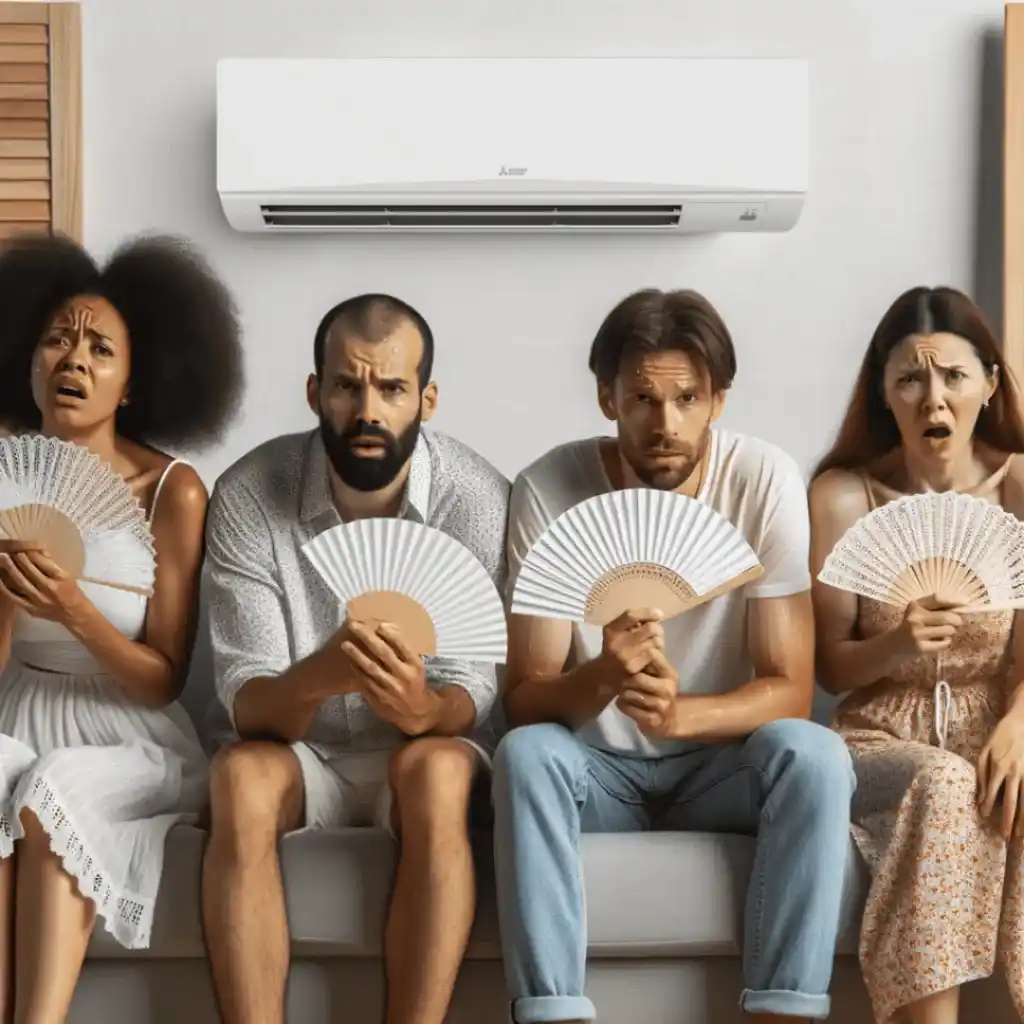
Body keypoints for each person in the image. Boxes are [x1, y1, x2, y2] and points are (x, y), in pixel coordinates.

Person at [493, 287, 856, 1024]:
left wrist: (680, 714)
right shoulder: (549, 487)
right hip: (598, 776)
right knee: (527, 755)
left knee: (814, 754)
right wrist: (602, 675)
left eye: (687, 399)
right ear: (606, 398)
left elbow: (788, 691)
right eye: (642, 400)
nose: (665, 424)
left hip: (718, 766)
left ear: (718, 400)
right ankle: (554, 1014)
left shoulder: (762, 481)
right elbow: (524, 700)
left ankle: (782, 1013)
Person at [201, 293, 510, 1024]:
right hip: (298, 754)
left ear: (426, 400)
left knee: (434, 767)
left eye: (392, 388)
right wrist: (323, 672)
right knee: (239, 778)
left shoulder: (477, 498)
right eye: (347, 385)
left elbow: (476, 688)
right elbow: (248, 703)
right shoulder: (248, 495)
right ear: (316, 392)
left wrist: (425, 709)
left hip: (421, 750)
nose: (368, 408)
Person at [0, 232, 243, 1021]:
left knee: (52, 788)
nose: (74, 359)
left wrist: (72, 607)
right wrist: (6, 601)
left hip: (127, 730)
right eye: (57, 339)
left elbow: (164, 674)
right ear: (27, 359)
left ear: (133, 383)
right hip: (18, 709)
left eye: (101, 348)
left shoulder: (170, 491)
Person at [809, 286, 1024, 1024]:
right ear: (884, 392)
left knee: (996, 781)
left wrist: (1019, 723)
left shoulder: (1020, 487)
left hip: (999, 720)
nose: (933, 397)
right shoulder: (843, 496)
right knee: (941, 783)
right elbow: (832, 668)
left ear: (990, 385)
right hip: (880, 737)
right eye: (910, 378)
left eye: (953, 377)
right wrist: (897, 642)